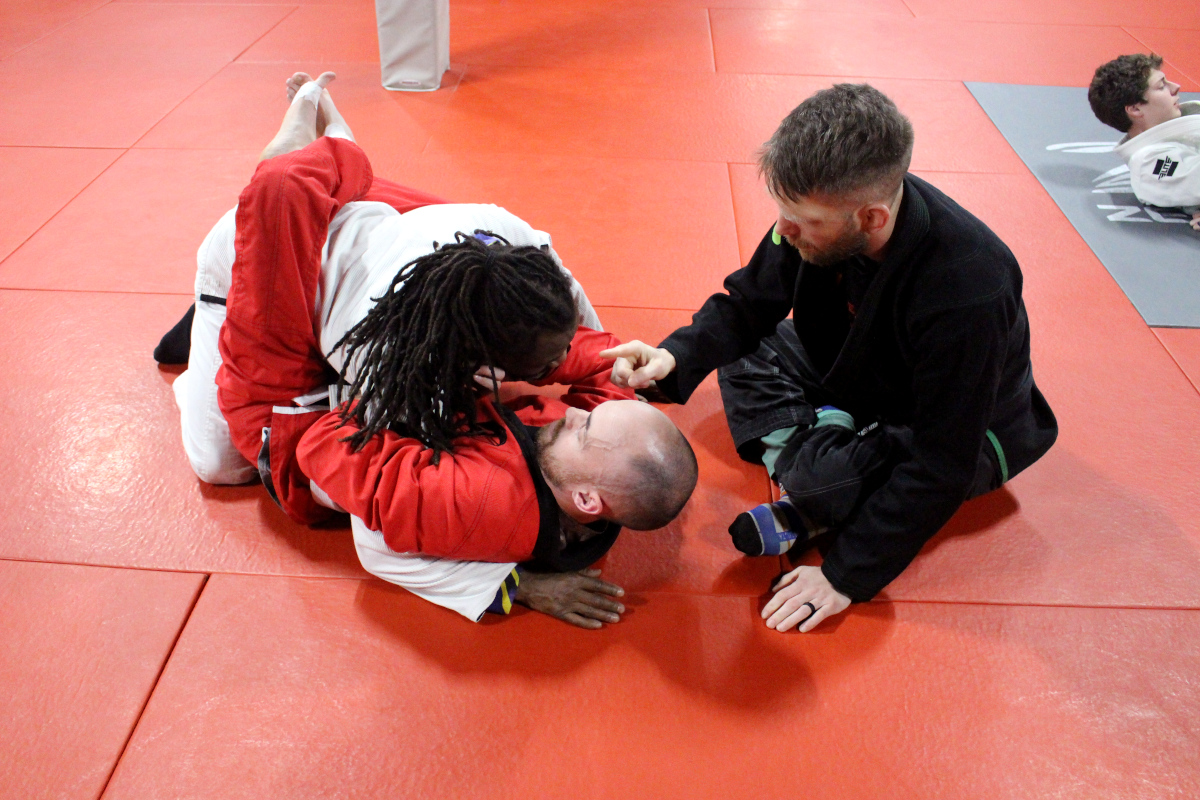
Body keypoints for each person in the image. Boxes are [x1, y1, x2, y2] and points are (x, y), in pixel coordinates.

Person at [172, 72, 698, 628]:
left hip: (397, 235)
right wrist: (512, 585)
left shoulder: (523, 269)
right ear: (481, 357)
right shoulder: (404, 358)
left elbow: (580, 348)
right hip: (274, 266)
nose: (569, 408)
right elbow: (357, 491)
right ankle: (252, 245)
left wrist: (626, 361)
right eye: (550, 364)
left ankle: (332, 158)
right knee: (220, 462)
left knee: (222, 460)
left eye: (586, 426)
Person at [601, 84, 1057, 633]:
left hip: (950, 425)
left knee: (828, 479)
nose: (783, 229)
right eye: (782, 211)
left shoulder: (968, 288)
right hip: (856, 367)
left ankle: (815, 491)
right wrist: (672, 357)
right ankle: (826, 467)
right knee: (744, 353)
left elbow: (942, 464)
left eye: (802, 220)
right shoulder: (816, 218)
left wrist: (845, 575)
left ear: (871, 218)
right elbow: (749, 305)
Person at [1089, 53, 1200, 231]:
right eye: (1161, 86)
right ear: (1135, 109)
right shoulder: (1149, 163)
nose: (1176, 87)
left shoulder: (1184, 123)